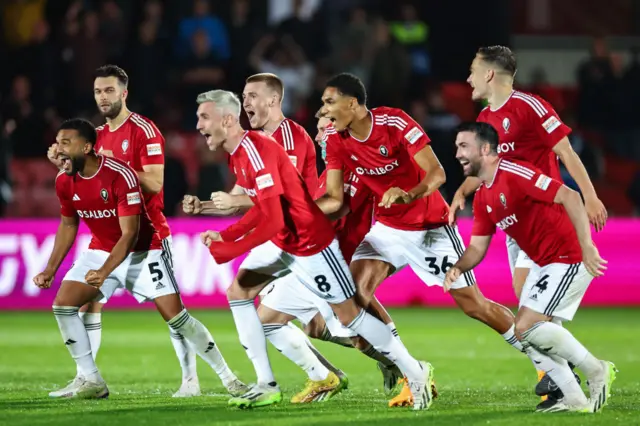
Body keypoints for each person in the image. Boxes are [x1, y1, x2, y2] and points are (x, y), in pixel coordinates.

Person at [194, 90, 433, 410]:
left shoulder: (354, 168)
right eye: (319, 129)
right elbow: (277, 208)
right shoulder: (326, 173)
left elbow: (325, 209)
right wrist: (232, 234)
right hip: (299, 251)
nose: (320, 135)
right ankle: (309, 378)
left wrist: (237, 241)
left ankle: (413, 371)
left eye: (327, 127)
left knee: (355, 324)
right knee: (268, 317)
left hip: (327, 252)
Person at [318, 73, 521, 406]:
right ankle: (414, 374)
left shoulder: (394, 122)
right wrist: (297, 212)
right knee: (350, 298)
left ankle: (545, 357)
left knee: (474, 305)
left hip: (430, 227)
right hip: (387, 230)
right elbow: (335, 199)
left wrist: (406, 194)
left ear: (351, 103)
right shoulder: (337, 140)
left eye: (329, 102)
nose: (324, 110)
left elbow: (437, 173)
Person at [35, 118, 246, 399]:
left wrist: (104, 272)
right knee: (63, 305)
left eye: (65, 143)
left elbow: (130, 234)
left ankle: (229, 379)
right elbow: (69, 225)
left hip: (144, 252)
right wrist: (50, 269)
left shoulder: (119, 175)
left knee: (177, 318)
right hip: (100, 250)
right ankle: (91, 379)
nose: (57, 149)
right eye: (57, 142)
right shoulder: (64, 180)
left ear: (86, 147)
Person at [449, 45, 607, 401]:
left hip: (544, 213)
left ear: (490, 74)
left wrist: (591, 195)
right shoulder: (485, 120)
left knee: (534, 314)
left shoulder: (529, 106)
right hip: (513, 221)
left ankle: (571, 377)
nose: (468, 78)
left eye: (473, 70)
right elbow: (485, 169)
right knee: (528, 303)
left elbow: (566, 152)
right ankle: (563, 377)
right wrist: (461, 191)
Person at [46, 65, 202, 398]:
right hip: (105, 238)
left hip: (147, 234)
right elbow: (87, 178)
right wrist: (67, 163)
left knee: (170, 312)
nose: (103, 97)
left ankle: (190, 378)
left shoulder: (144, 130)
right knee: (90, 305)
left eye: (109, 91)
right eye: (98, 92)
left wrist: (113, 168)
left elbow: (156, 182)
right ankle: (87, 377)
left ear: (124, 93)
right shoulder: (95, 136)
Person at [205, 72, 318, 214]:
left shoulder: (291, 136)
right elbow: (233, 199)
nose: (245, 103)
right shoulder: (256, 144)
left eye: (253, 96)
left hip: (301, 232)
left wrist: (235, 201)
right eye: (244, 97)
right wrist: (202, 207)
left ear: (273, 100)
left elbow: (286, 192)